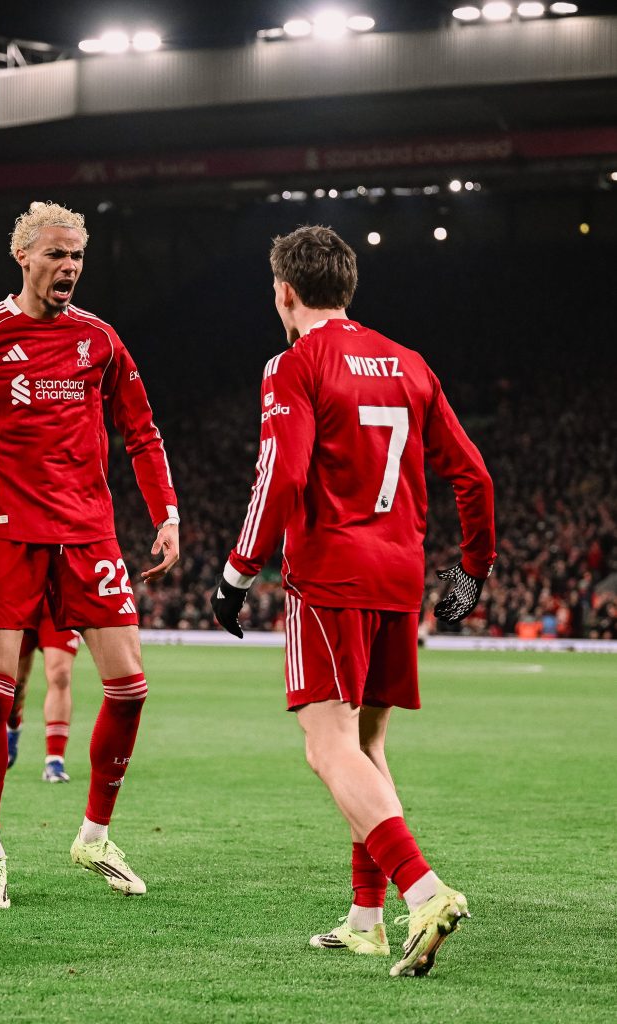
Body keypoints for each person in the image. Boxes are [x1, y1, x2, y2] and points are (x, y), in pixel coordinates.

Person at [210, 225, 495, 978]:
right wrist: (470, 573)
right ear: (348, 288)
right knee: (366, 747)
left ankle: (422, 889)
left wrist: (237, 573)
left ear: (283, 292)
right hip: (399, 576)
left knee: (325, 745)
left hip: (329, 575)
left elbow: (283, 476)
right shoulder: (409, 363)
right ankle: (366, 920)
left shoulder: (294, 364)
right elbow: (474, 479)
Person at [0, 201, 179, 909]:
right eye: (56, 255)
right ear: (23, 257)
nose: (69, 267)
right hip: (10, 532)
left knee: (130, 687)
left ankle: (94, 836)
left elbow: (141, 430)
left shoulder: (100, 341)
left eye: (77, 256)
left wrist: (166, 515)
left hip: (89, 533)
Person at [7, 597, 81, 783]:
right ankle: (13, 727)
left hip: (60, 598)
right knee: (13, 682)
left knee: (60, 675)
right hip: (19, 596)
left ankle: (54, 759)